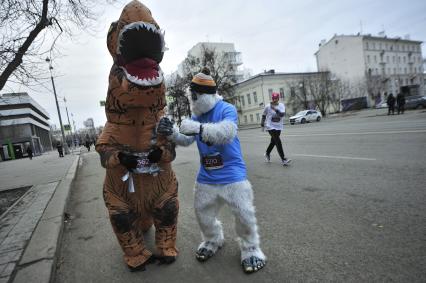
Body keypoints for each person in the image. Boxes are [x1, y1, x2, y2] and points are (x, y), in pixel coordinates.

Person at [95, 0, 179, 272]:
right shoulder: (113, 123)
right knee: (121, 216)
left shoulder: (160, 122)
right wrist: (119, 157)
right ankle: (135, 253)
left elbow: (170, 150)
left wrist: (162, 153)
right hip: (124, 189)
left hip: (158, 184)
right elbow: (103, 149)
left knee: (167, 208)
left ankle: (166, 246)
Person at [157, 68, 266, 274]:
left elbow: (227, 132)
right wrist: (171, 132)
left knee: (244, 214)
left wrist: (199, 129)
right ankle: (212, 239)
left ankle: (251, 248)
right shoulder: (196, 116)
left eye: (194, 97)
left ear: (204, 95)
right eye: (191, 97)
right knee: (202, 212)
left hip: (232, 175)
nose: (193, 101)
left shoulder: (226, 109)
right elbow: (185, 139)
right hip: (207, 176)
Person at [261, 92, 291, 166]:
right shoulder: (268, 106)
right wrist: (262, 123)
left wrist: (275, 109)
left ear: (278, 98)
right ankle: (283, 159)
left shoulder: (281, 105)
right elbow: (264, 115)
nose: (275, 100)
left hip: (278, 126)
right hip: (270, 126)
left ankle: (267, 153)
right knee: (278, 141)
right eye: (273, 98)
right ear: (272, 98)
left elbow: (282, 114)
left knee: (273, 141)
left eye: (276, 98)